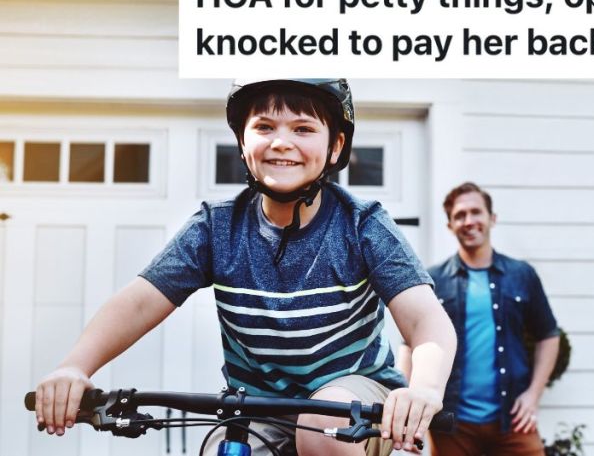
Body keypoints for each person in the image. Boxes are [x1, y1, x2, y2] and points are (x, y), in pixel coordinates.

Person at [33, 78, 456, 456]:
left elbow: (425, 320)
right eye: (265, 127)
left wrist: (424, 390)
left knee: (320, 429)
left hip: (355, 402)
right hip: (256, 407)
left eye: (303, 129)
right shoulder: (217, 227)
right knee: (225, 450)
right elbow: (140, 302)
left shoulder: (362, 224)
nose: (281, 142)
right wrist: (75, 366)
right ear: (242, 142)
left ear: (336, 147)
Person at [402, 182, 560, 456]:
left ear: (492, 218)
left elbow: (549, 334)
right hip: (452, 423)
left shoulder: (521, 275)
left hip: (513, 419)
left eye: (476, 212)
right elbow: (411, 342)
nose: (469, 221)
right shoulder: (434, 280)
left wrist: (533, 394)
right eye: (459, 216)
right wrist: (410, 404)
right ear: (450, 225)